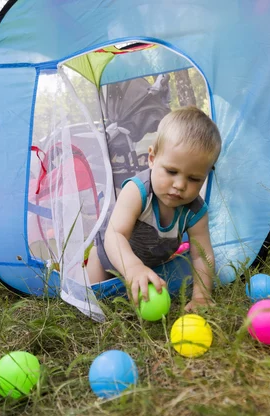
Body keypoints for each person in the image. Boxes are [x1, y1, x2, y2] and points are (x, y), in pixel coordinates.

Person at [86, 106, 222, 311]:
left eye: (194, 178)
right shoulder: (138, 191)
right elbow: (115, 234)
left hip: (148, 267)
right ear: (152, 158)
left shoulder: (195, 212)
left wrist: (201, 296)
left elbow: (201, 255)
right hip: (107, 260)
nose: (179, 185)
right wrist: (133, 268)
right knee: (95, 303)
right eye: (171, 171)